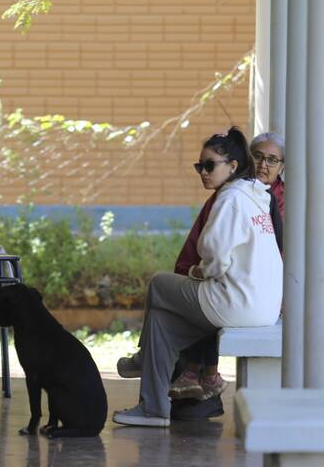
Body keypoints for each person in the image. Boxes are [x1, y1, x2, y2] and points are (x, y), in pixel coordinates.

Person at [113, 127, 283, 427]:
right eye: (199, 166)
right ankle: (153, 410)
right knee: (160, 323)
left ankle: (142, 358)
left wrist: (195, 272)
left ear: (232, 166)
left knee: (158, 283)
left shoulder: (231, 199)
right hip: (260, 307)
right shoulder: (254, 196)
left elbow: (214, 259)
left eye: (209, 165)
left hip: (237, 303)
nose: (203, 172)